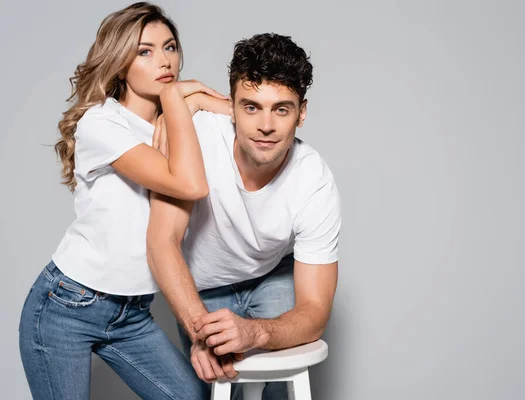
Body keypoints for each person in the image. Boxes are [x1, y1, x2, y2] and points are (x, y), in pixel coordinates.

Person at [18, 3, 229, 399]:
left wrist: (190, 104)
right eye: (144, 51)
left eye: (170, 47)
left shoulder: (177, 123)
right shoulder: (102, 123)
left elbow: (249, 120)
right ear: (120, 64)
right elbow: (188, 184)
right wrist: (183, 99)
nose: (164, 60)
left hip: (131, 314)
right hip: (67, 306)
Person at [147, 32, 342, 399]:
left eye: (281, 109)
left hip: (272, 275)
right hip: (203, 285)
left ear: (302, 113)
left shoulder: (314, 181)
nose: (265, 126)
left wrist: (258, 333)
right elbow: (162, 243)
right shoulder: (198, 138)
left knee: (280, 378)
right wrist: (198, 332)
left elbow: (315, 310)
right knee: (215, 386)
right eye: (251, 107)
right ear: (231, 107)